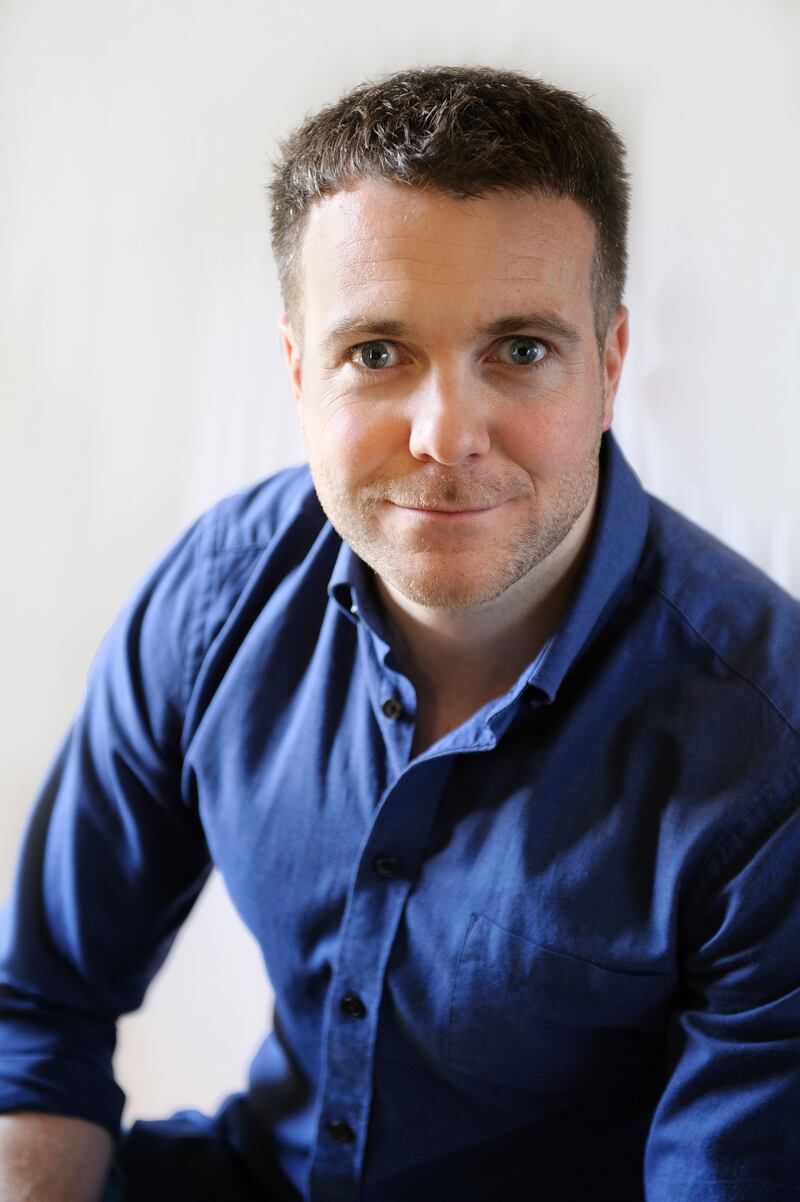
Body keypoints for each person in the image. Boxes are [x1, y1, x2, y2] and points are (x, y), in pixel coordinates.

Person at [1, 64, 799, 1202]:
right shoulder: (217, 595)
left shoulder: (770, 750)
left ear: (609, 366)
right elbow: (40, 1013)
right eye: (377, 353)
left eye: (519, 350)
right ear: (297, 370)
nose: (445, 433)